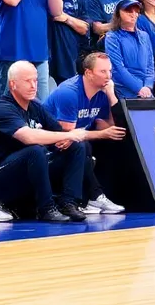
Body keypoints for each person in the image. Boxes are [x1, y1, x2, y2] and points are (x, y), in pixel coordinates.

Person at [0, 61, 91, 224]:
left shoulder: (35, 106)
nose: (33, 85)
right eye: (27, 81)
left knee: (77, 146)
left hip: (25, 171)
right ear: (13, 84)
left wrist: (68, 138)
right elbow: (28, 137)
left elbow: (58, 132)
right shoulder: (3, 109)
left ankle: (68, 202)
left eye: (35, 80)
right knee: (35, 150)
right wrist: (68, 135)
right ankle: (45, 208)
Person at [44, 52, 127, 214]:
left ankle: (98, 196)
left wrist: (111, 95)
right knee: (82, 145)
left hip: (77, 140)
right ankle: (89, 197)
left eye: (110, 71)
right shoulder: (69, 92)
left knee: (114, 142)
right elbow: (67, 134)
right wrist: (102, 134)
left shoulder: (102, 92)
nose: (108, 76)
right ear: (88, 73)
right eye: (103, 72)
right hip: (50, 144)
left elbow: (110, 126)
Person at [104, 0, 155, 98]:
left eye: (136, 11)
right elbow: (117, 68)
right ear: (119, 13)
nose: (133, 14)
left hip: (146, 90)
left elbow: (150, 64)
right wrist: (138, 88)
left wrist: (148, 86)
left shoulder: (144, 36)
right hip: (124, 90)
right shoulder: (112, 37)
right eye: (128, 11)